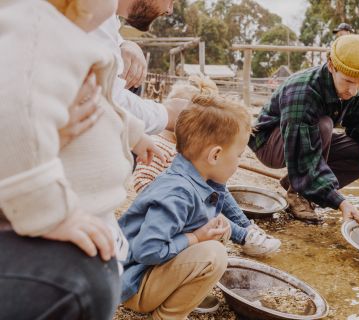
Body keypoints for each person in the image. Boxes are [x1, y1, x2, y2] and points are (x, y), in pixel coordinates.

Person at [0, 0, 164, 318]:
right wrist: (50, 213)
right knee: (87, 279)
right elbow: (14, 118)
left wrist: (136, 134)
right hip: (58, 209)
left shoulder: (70, 36)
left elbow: (102, 105)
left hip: (84, 207)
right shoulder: (35, 32)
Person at [119, 93, 258, 319]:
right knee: (214, 255)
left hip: (140, 274)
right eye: (239, 155)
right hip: (132, 282)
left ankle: (172, 295)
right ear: (215, 155)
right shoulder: (179, 192)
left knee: (212, 241)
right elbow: (148, 249)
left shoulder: (198, 180)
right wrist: (196, 238)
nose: (239, 162)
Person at [131, 76, 281, 257]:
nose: (239, 161)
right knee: (206, 213)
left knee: (216, 191)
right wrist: (193, 235)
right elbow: (142, 181)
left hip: (183, 204)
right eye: (238, 155)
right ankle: (243, 235)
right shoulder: (162, 152)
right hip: (172, 215)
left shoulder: (187, 155)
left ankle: (248, 228)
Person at [249, 35, 359, 224]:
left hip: (309, 136)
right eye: (348, 81)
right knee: (324, 125)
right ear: (331, 65)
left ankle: (300, 185)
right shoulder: (302, 92)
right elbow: (304, 155)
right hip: (270, 144)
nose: (354, 91)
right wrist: (340, 201)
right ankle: (299, 194)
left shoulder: (355, 87)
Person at [90, 0, 181, 135]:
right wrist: (168, 115)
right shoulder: (90, 9)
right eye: (171, 1)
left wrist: (124, 43)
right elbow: (104, 101)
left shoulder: (106, 16)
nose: (169, 10)